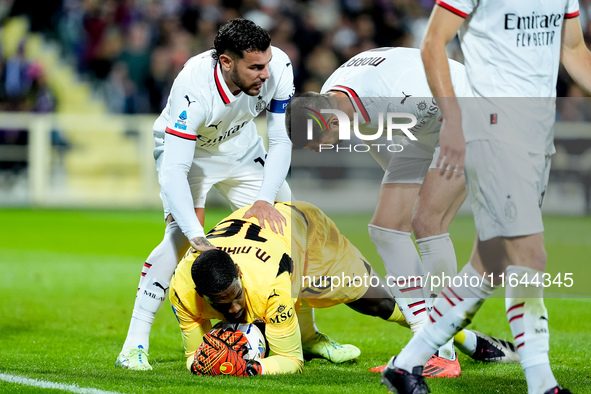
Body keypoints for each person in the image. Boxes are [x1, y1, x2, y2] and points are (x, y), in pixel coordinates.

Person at [115, 19, 354, 370]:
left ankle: (307, 335)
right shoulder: (193, 88)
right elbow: (174, 172)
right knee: (180, 238)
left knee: (288, 229)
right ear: (226, 62)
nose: (265, 74)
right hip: (191, 156)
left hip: (241, 149)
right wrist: (198, 237)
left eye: (266, 64)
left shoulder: (279, 68)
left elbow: (282, 139)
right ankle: (133, 346)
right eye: (255, 67)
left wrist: (264, 198)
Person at [381, 2, 591, 394]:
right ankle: (543, 386)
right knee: (530, 255)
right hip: (492, 130)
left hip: (538, 135)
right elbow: (433, 44)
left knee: (491, 264)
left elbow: (574, 51)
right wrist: (455, 121)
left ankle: (405, 365)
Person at [286, 47, 518, 378]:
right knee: (386, 229)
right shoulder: (332, 100)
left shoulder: (398, 90)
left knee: (428, 222)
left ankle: (443, 353)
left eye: (316, 141)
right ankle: (425, 339)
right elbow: (384, 151)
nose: (319, 150)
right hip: (427, 127)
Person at [170, 201, 517, 376]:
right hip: (273, 244)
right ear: (201, 294)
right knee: (256, 320)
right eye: (220, 303)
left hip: (309, 232)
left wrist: (252, 367)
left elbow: (290, 361)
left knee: (379, 305)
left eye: (235, 297)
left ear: (240, 277)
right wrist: (203, 362)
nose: (230, 309)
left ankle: (467, 340)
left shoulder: (269, 282)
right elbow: (193, 355)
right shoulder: (182, 287)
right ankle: (312, 338)